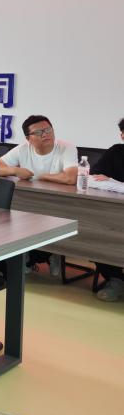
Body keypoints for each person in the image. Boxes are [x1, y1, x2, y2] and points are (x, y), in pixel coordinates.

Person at [0, 115, 78, 274]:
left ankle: (54, 253)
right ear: (28, 138)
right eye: (39, 132)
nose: (45, 134)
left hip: (58, 204)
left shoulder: (66, 147)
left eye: (48, 130)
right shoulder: (22, 149)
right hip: (29, 203)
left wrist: (42, 176)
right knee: (11, 216)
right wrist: (15, 170)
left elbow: (70, 178)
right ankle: (25, 256)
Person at [91, 118, 124, 301]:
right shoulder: (116, 151)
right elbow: (95, 173)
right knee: (95, 233)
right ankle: (116, 280)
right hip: (112, 212)